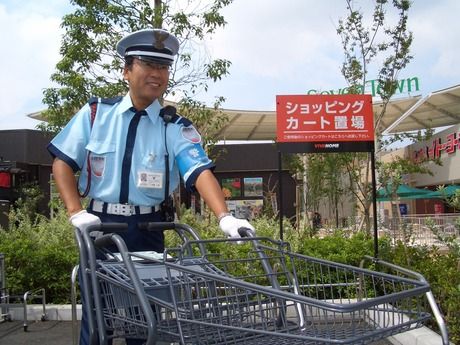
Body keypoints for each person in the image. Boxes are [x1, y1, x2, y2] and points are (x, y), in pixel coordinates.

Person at [47, 28, 254, 345]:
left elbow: (199, 170)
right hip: (98, 228)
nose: (157, 74)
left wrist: (225, 217)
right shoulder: (95, 114)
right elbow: (62, 163)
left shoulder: (175, 126)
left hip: (147, 227)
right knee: (98, 318)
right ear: (127, 70)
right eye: (148, 64)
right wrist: (75, 213)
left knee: (145, 320)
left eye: (164, 67)